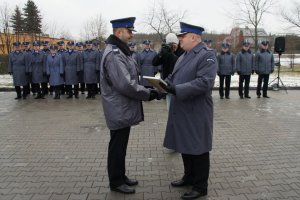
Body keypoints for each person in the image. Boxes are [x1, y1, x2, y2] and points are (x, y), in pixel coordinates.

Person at [100, 17, 161, 194]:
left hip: (122, 107)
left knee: (120, 145)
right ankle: (116, 181)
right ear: (119, 32)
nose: (131, 35)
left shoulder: (120, 51)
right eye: (129, 32)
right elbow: (125, 84)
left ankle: (120, 175)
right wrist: (148, 93)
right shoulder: (114, 54)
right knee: (117, 146)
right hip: (118, 108)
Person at [159, 22, 217, 200]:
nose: (179, 39)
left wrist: (176, 89)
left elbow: (204, 82)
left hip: (196, 111)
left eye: (182, 36)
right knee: (185, 144)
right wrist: (160, 86)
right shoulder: (184, 56)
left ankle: (200, 186)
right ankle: (189, 176)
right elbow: (172, 77)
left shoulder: (207, 55)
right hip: (183, 109)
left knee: (198, 148)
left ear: (193, 37)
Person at [152, 33, 179, 110]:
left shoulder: (178, 52)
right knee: (170, 108)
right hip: (167, 82)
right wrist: (161, 53)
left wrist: (169, 53)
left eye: (174, 44)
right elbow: (154, 62)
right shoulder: (166, 52)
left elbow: (177, 62)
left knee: (174, 108)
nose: (174, 47)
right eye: (171, 44)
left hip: (176, 84)